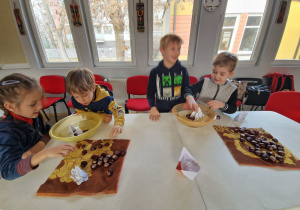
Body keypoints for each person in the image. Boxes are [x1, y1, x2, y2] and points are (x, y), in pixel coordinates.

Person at [0, 73, 75, 180]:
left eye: (39, 101)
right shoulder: (5, 132)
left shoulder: (34, 115)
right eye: (33, 104)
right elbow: (7, 172)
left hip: (42, 167)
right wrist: (43, 154)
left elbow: (49, 132)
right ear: (10, 106)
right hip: (25, 178)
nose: (40, 106)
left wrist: (38, 147)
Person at [66, 68, 124, 138]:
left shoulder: (105, 98)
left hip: (106, 124)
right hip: (92, 123)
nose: (81, 100)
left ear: (93, 88)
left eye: (85, 95)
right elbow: (83, 114)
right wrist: (102, 116)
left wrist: (118, 124)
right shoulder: (75, 100)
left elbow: (119, 110)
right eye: (76, 97)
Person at [147, 34, 190, 121]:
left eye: (178, 49)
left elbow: (185, 90)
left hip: (177, 111)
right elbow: (150, 93)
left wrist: (176, 109)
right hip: (159, 112)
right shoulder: (155, 72)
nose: (177, 52)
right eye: (173, 49)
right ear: (162, 50)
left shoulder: (183, 71)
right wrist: (153, 107)